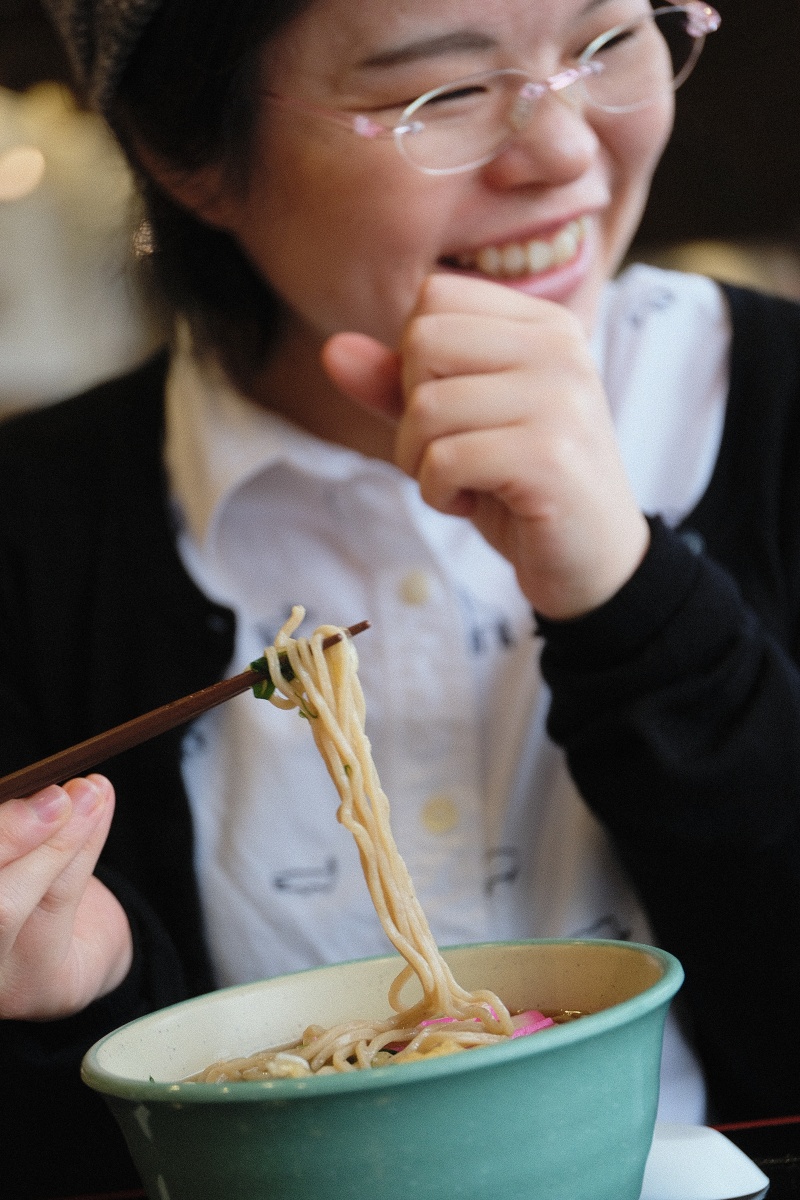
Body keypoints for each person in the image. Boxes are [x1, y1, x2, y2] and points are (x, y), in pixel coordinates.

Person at [2, 0, 800, 1194]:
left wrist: (629, 592)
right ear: (190, 154)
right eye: (438, 94)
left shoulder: (778, 411)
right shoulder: (32, 532)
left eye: (607, 40)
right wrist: (73, 1003)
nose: (567, 150)